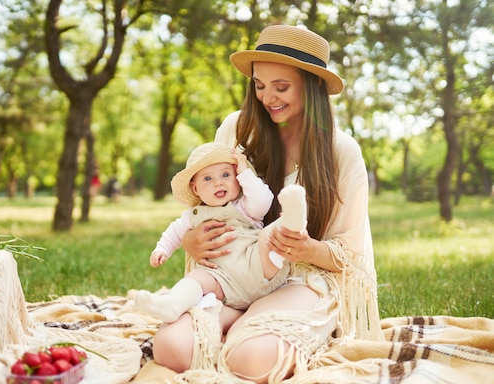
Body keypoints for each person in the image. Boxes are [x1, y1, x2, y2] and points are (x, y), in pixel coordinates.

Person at [151, 25, 383, 383]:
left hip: (301, 278)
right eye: (259, 85)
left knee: (251, 358)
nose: (268, 97)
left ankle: (246, 327)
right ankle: (237, 321)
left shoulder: (341, 151)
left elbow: (350, 257)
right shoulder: (236, 129)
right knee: (170, 348)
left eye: (281, 86)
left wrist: (306, 248)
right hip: (232, 274)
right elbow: (209, 202)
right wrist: (191, 240)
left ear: (312, 86)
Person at [134, 142, 307, 323]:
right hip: (222, 281)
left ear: (237, 179)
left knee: (267, 238)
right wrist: (162, 249)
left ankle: (292, 220)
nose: (218, 182)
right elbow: (174, 233)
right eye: (207, 179)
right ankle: (172, 305)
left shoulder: (244, 206)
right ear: (195, 189)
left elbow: (264, 201)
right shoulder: (192, 216)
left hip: (257, 266)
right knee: (197, 278)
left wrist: (244, 173)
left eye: (226, 175)